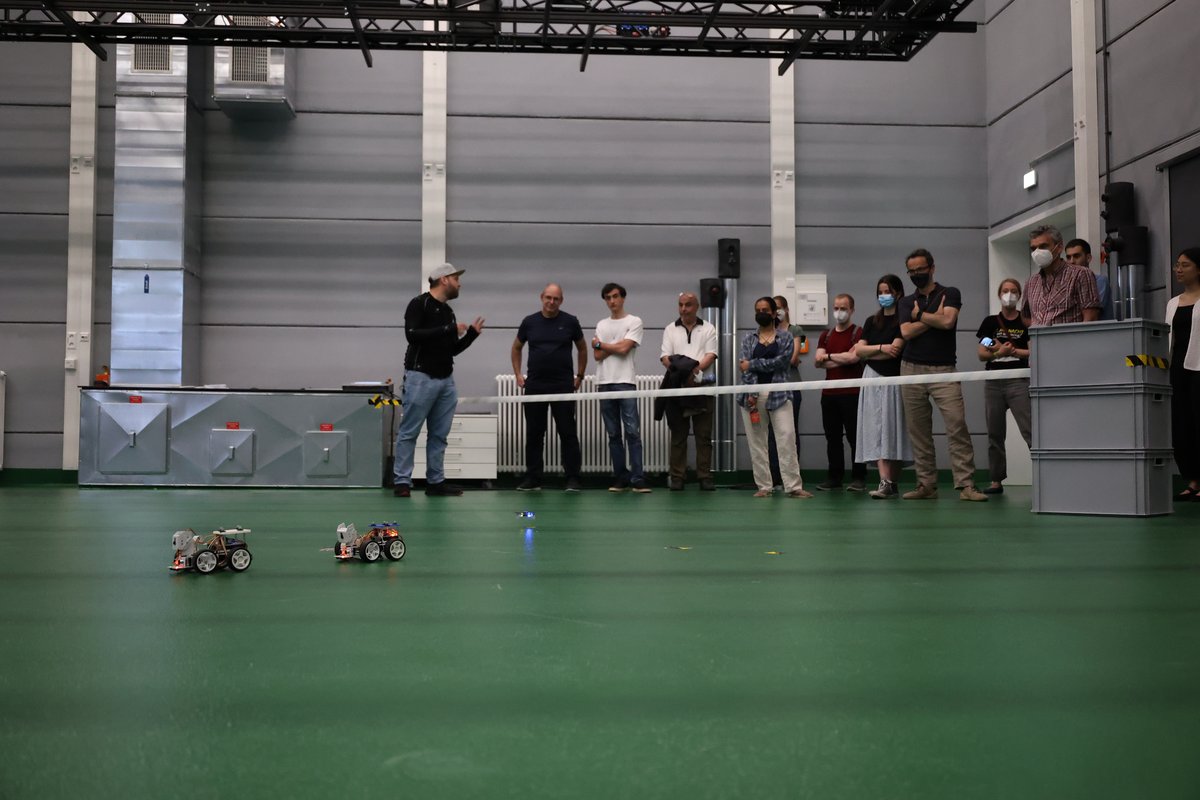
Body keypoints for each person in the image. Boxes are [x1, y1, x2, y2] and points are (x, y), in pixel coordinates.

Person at [897, 249, 988, 502]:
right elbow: (906, 333)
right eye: (912, 271)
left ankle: (966, 485)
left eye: (920, 269)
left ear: (932, 267)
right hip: (910, 370)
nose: (916, 274)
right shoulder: (905, 302)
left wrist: (920, 317)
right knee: (919, 430)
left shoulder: (950, 293)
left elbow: (949, 323)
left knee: (957, 425)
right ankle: (926, 484)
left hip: (944, 369)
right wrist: (934, 317)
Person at [393, 263, 484, 497]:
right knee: (409, 432)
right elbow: (411, 335)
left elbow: (451, 349)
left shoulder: (447, 312)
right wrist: (448, 329)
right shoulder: (419, 303)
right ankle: (402, 482)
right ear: (444, 279)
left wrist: (471, 335)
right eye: (456, 278)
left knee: (439, 435)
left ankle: (435, 482)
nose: (459, 283)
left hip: (445, 380)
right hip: (420, 377)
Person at [512, 283, 587, 492]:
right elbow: (516, 348)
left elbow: (582, 348)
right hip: (535, 385)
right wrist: (518, 374)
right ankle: (533, 478)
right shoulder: (529, 322)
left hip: (562, 385)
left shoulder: (570, 322)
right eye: (548, 298)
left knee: (568, 432)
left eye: (556, 299)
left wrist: (579, 375)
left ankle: (573, 478)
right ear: (541, 297)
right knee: (535, 433)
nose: (551, 302)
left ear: (561, 300)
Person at [738, 296, 811, 498]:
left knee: (787, 436)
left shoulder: (786, 337)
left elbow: (782, 362)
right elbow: (743, 369)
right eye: (757, 310)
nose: (761, 313)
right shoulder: (747, 339)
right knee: (757, 442)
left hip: (779, 393)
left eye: (765, 310)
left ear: (773, 313)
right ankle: (764, 486)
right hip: (752, 395)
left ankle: (793, 486)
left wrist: (753, 363)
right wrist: (752, 393)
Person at [853, 274, 910, 499]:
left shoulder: (903, 320)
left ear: (897, 293)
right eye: (880, 292)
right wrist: (881, 348)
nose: (883, 296)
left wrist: (876, 350)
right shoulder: (871, 321)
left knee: (892, 427)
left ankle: (892, 482)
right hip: (871, 377)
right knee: (875, 427)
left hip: (894, 379)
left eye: (887, 291)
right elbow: (859, 350)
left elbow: (896, 349)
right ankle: (884, 481)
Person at [975, 278, 1033, 495]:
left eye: (1014, 291)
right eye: (1005, 290)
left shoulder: (1025, 323)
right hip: (993, 382)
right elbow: (983, 353)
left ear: (1019, 295)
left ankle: (1044, 475)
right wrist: (999, 352)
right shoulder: (990, 323)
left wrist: (1014, 352)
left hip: (1018, 379)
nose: (1009, 294)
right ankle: (996, 481)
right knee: (995, 433)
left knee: (1030, 431)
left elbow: (1032, 351)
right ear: (999, 294)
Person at [592, 283, 650, 493]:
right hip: (604, 382)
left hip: (626, 381)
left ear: (623, 298)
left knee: (632, 432)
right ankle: (620, 477)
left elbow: (625, 349)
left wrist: (603, 344)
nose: (612, 301)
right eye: (608, 298)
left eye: (615, 296)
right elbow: (597, 356)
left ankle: (638, 478)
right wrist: (616, 345)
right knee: (613, 434)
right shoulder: (601, 324)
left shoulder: (635, 321)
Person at [659, 292, 718, 491]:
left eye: (688, 305)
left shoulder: (709, 328)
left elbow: (711, 355)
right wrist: (683, 375)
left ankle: (705, 477)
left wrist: (693, 371)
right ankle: (677, 477)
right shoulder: (670, 329)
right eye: (681, 305)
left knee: (704, 436)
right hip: (677, 391)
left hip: (704, 389)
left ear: (697, 306)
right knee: (678, 436)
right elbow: (665, 358)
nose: (684, 309)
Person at [814, 294, 867, 491]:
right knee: (832, 438)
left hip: (852, 393)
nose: (839, 312)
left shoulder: (858, 332)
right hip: (829, 395)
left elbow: (854, 359)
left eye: (843, 308)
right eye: (836, 308)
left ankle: (859, 477)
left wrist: (828, 356)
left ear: (852, 310)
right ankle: (834, 478)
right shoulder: (825, 335)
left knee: (854, 437)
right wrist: (840, 357)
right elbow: (817, 361)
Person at [1167, 248, 1200, 501]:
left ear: (1198, 269)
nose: (1178, 269)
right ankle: (1193, 480)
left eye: (1185, 265)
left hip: (1199, 369)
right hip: (1178, 368)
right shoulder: (1172, 303)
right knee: (1181, 424)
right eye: (1177, 264)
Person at [1023, 225, 1102, 326]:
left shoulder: (1080, 274)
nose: (1037, 252)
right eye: (1033, 248)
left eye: (1043, 246)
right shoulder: (1031, 282)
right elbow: (1026, 316)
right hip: (1040, 341)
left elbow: (1091, 318)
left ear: (1059, 247)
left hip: (1069, 341)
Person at [767, 295, 805, 489]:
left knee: (790, 432)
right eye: (775, 309)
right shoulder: (767, 331)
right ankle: (774, 478)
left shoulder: (795, 330)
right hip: (771, 388)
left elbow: (792, 358)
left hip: (791, 386)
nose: (777, 312)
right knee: (772, 434)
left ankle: (791, 478)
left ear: (787, 309)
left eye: (780, 308)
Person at [1064, 238, 1115, 320]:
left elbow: (1090, 314)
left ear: (1088, 258)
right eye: (1068, 257)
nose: (1072, 261)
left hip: (1096, 331)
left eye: (1076, 256)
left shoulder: (1099, 281)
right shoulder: (1066, 284)